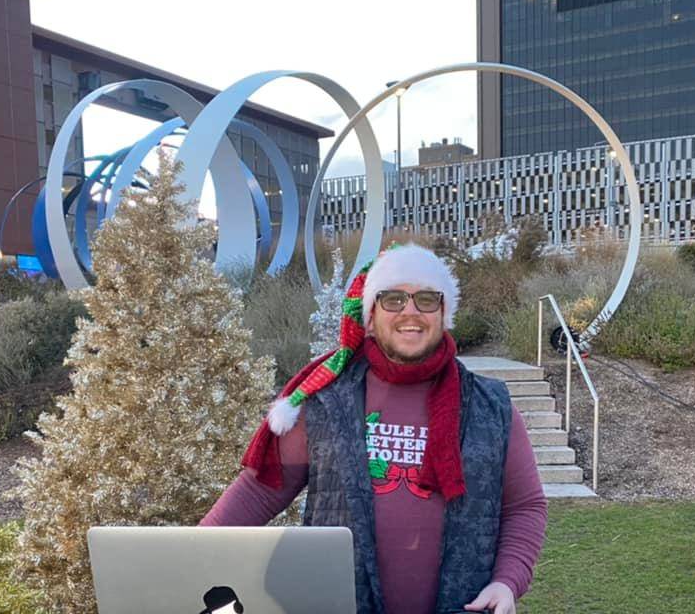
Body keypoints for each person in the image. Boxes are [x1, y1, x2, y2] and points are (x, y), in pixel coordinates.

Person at [201, 244, 548, 614]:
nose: (410, 311)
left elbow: (525, 506)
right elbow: (259, 492)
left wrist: (506, 582)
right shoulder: (326, 402)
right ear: (369, 316)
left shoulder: (491, 408)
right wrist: (187, 559)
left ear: (444, 313)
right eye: (393, 299)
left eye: (427, 299)